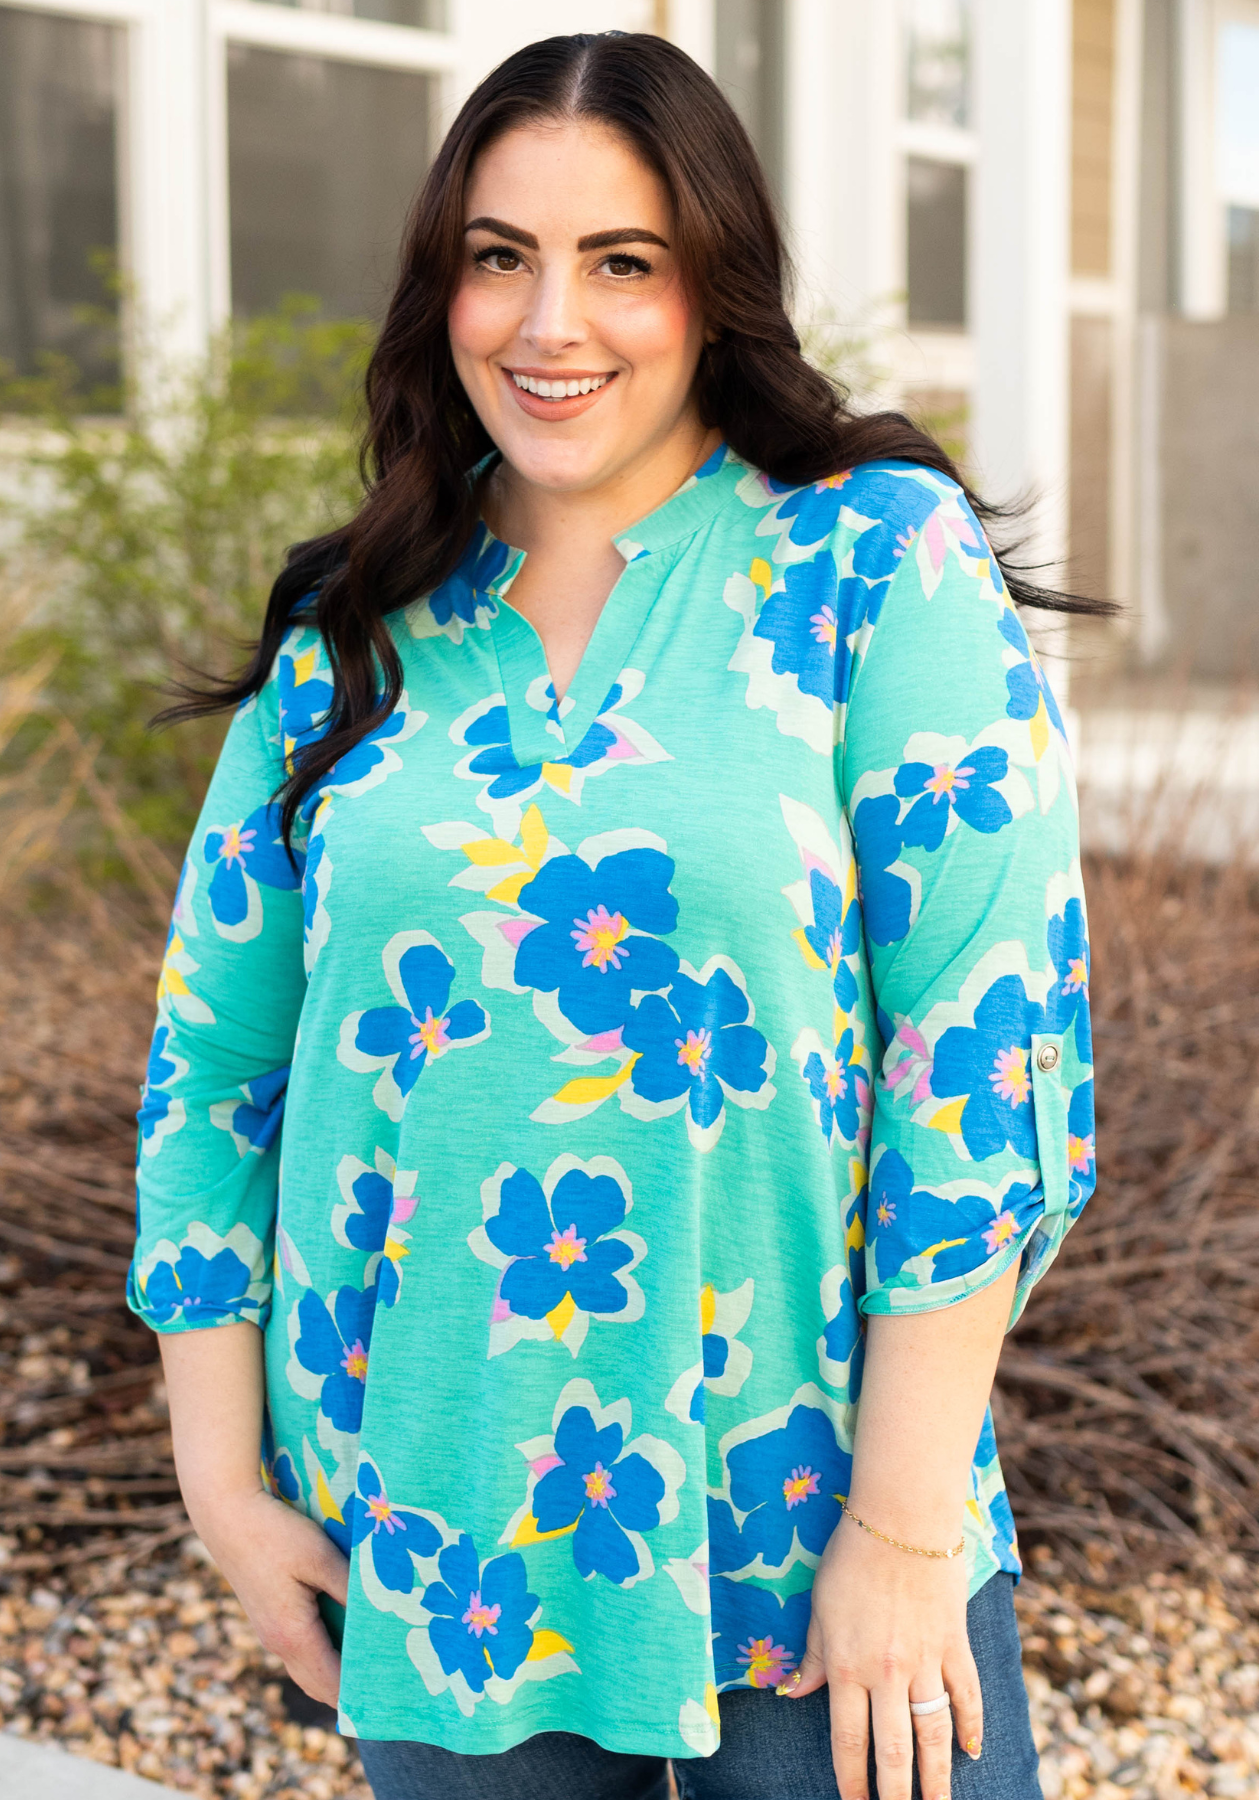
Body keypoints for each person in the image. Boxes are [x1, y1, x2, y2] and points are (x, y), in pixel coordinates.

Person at [129, 31, 1100, 1800]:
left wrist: (897, 1529)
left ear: (710, 287)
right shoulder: (354, 625)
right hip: (430, 1544)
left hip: (817, 1538)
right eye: (500, 258)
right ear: (443, 289)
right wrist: (223, 1479)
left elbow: (988, 1043)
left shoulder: (869, 560)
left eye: (620, 264)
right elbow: (215, 1066)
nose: (546, 324)